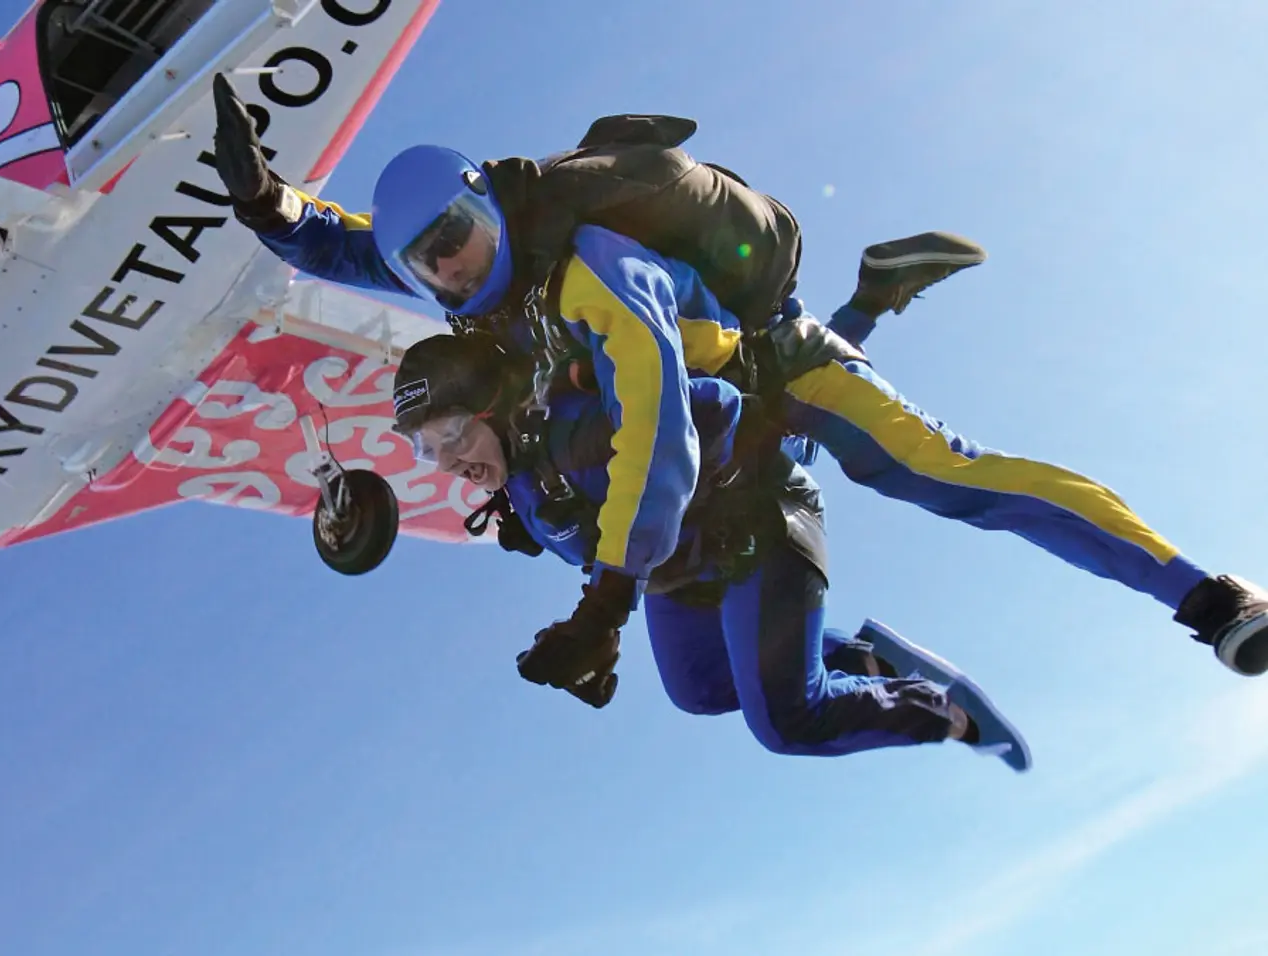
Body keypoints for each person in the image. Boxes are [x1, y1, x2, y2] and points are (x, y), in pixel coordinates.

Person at [210, 75, 1268, 678]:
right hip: (731, 412)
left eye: (456, 237)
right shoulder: (461, 286)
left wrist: (608, 597)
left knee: (939, 476)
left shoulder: (582, 266)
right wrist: (268, 203)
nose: (449, 268)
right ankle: (878, 288)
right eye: (426, 263)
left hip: (779, 365)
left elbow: (658, 428)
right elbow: (351, 246)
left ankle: (1205, 592)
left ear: (486, 202)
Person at [388, 330, 1030, 769]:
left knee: (786, 721)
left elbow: (716, 407)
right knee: (696, 688)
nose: (445, 459)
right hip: (689, 574)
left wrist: (716, 483)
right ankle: (863, 659)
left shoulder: (576, 432)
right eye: (424, 446)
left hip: (756, 528)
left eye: (450, 431)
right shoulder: (523, 480)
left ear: (497, 405)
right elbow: (607, 534)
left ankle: (943, 713)